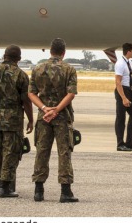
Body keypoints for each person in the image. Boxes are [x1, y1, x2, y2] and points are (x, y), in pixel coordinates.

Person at [29, 38, 79, 203]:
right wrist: (57, 110)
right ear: (63, 53)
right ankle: (65, 191)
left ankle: (38, 190)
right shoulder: (69, 69)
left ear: (50, 51)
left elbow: (31, 94)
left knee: (42, 151)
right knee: (64, 152)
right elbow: (70, 94)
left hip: (43, 116)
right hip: (62, 116)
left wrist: (45, 108)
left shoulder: (37, 68)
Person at [0, 45, 34, 197]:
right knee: (10, 153)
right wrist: (30, 119)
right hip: (13, 120)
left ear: (4, 56)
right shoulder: (21, 75)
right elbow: (26, 100)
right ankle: (5, 188)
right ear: (19, 58)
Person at [114, 42, 132, 152]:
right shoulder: (120, 64)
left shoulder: (128, 62)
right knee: (121, 118)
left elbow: (130, 80)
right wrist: (123, 97)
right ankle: (120, 144)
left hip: (128, 89)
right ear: (128, 51)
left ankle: (130, 143)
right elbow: (118, 82)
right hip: (122, 91)